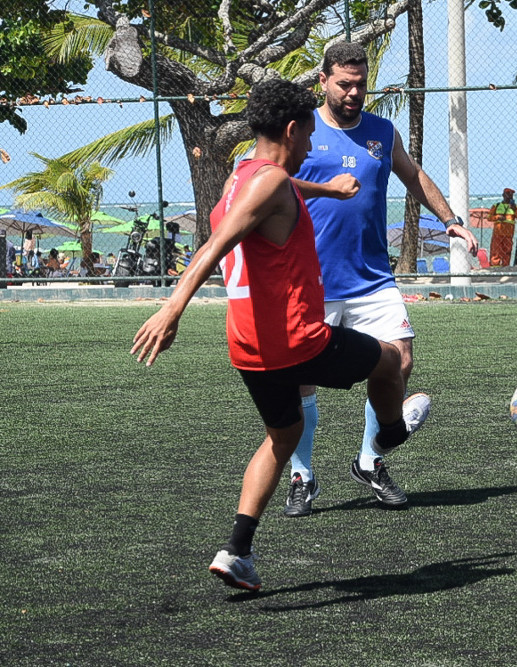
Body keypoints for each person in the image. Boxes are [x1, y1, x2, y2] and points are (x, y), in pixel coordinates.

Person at [130, 77, 429, 591]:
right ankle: (392, 435)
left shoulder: (243, 176)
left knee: (283, 436)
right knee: (388, 360)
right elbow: (213, 246)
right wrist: (172, 308)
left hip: (249, 347)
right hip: (297, 339)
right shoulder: (269, 183)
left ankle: (236, 551)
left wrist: (328, 189)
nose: (312, 146)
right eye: (309, 135)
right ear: (292, 130)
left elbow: (281, 190)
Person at [286, 42, 478, 515]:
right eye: (344, 84)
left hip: (372, 278)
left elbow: (413, 175)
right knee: (300, 379)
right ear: (323, 81)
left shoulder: (382, 131)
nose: (353, 93)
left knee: (399, 361)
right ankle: (302, 476)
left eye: (360, 84)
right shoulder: (301, 130)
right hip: (311, 281)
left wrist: (450, 219)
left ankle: (370, 462)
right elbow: (265, 181)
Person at [488, 188, 517, 266]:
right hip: (497, 234)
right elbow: (489, 217)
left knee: (507, 252)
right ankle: (495, 267)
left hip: (508, 234)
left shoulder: (516, 207)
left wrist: (514, 210)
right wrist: (497, 217)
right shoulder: (496, 206)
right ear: (503, 195)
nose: (509, 196)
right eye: (507, 194)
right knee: (495, 251)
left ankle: (506, 267)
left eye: (511, 195)